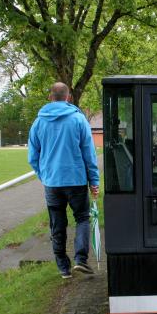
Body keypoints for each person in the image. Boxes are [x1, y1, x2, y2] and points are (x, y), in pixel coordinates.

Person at [28, 82, 100, 279]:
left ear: (50, 97)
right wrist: (94, 181)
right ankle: (81, 260)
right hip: (76, 180)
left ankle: (63, 268)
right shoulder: (78, 119)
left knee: (57, 224)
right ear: (68, 97)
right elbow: (89, 153)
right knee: (82, 218)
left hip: (52, 183)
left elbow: (32, 156)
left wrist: (44, 176)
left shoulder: (38, 123)